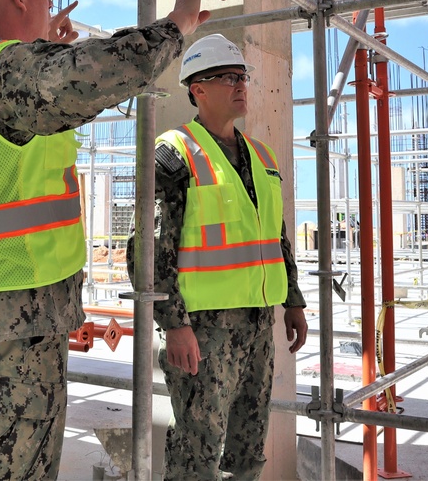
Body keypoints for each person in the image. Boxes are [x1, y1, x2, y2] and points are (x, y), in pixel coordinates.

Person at [0, 0, 228, 480]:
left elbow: (12, 150)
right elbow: (100, 71)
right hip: (10, 317)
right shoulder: (3, 69)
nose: (48, 1)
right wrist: (177, 25)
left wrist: (41, 55)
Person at [127, 34, 308, 481]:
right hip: (203, 329)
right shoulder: (174, 152)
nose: (241, 85)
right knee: (197, 452)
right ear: (198, 89)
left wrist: (294, 299)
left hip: (256, 322)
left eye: (242, 76)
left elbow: (275, 234)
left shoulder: (262, 156)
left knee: (249, 447)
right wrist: (174, 325)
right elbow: (149, 250)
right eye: (228, 77)